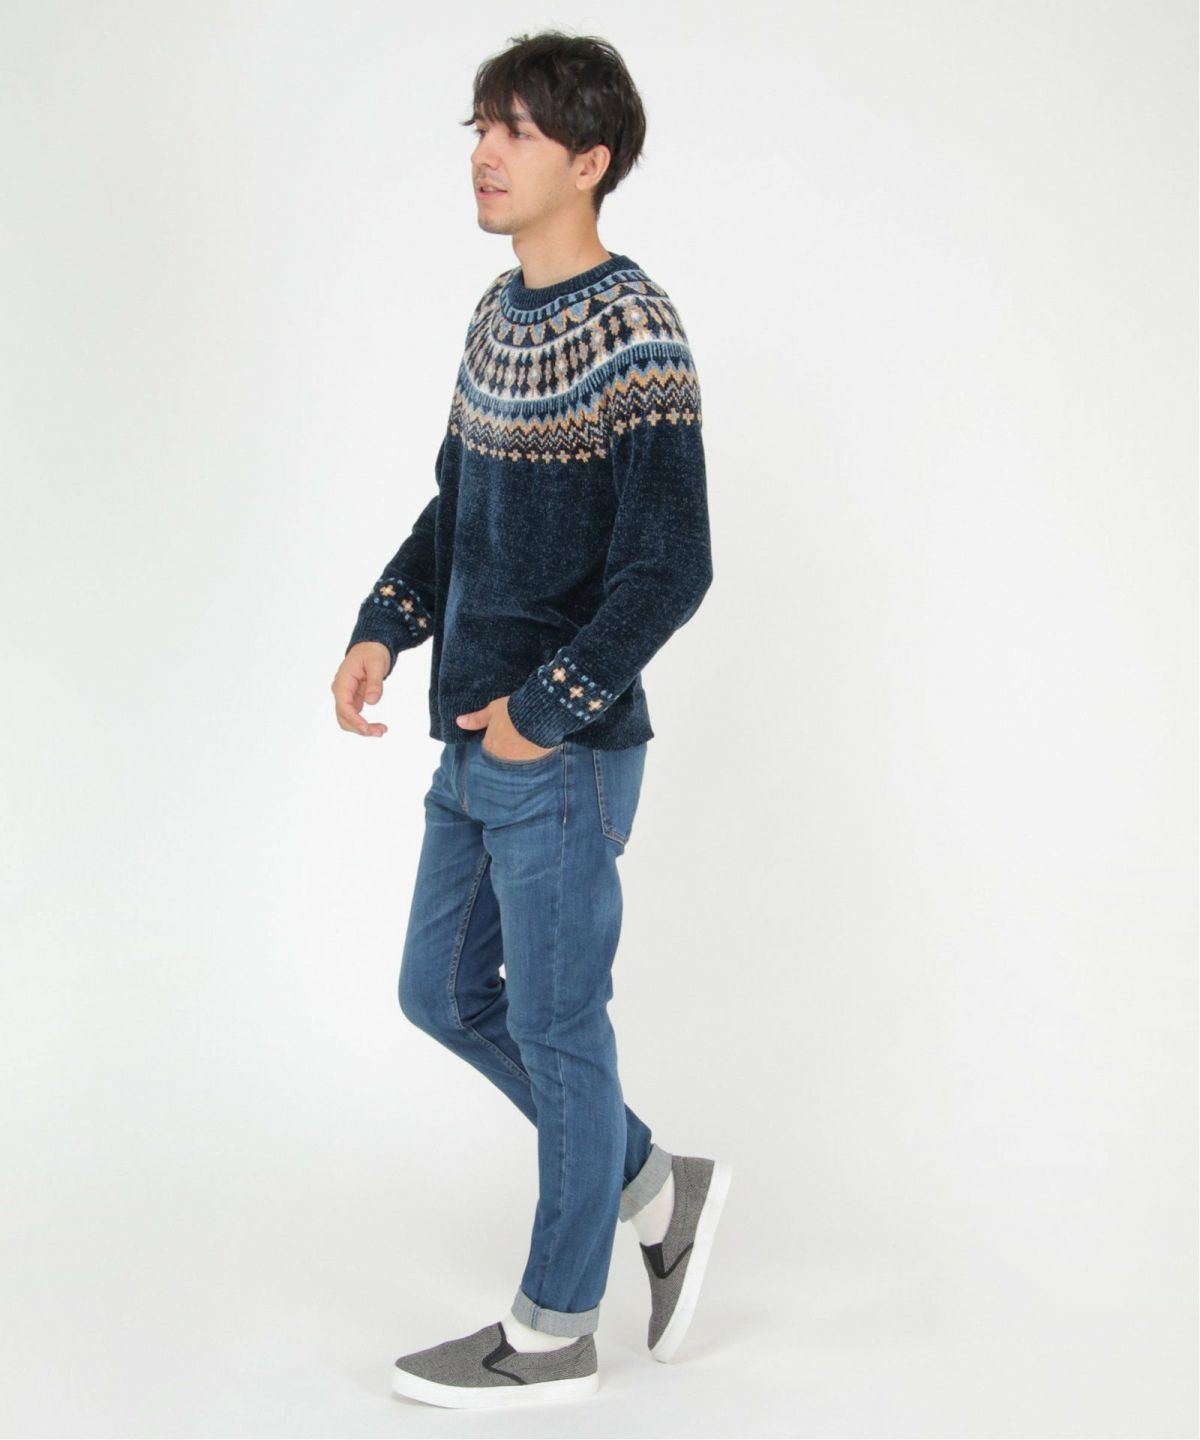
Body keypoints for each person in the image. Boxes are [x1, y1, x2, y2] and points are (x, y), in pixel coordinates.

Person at [331, 28, 731, 1410]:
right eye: (480, 128)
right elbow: (459, 506)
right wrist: (385, 623)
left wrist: (544, 713)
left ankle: (555, 1333)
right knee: (441, 993)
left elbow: (672, 565)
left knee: (561, 1031)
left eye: (516, 131)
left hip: (559, 754)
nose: (485, 154)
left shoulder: (639, 329)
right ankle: (653, 1184)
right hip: (470, 738)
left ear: (591, 160)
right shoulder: (496, 315)